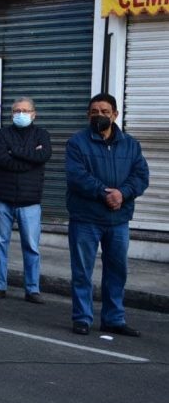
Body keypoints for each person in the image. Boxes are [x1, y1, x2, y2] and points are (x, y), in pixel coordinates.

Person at [66, 93, 149, 337]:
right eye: (94, 112)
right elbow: (76, 176)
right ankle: (82, 318)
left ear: (115, 115)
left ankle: (114, 319)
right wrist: (105, 193)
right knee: (82, 271)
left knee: (117, 272)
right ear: (87, 115)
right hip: (86, 218)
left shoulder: (131, 145)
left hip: (118, 220)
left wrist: (122, 194)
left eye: (104, 111)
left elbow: (141, 176)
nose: (99, 116)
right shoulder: (77, 143)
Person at [0, 97, 52, 303]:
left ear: (34, 114)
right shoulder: (2, 134)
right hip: (2, 198)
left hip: (30, 201)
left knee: (31, 247)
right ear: (11, 114)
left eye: (25, 110)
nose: (20, 114)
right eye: (16, 111)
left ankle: (32, 289)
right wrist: (29, 158)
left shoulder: (42, 134)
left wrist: (14, 152)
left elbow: (43, 156)